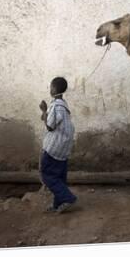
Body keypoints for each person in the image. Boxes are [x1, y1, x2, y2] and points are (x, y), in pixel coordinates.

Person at [38, 76, 77, 213]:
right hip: (64, 148)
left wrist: (43, 110)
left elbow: (49, 126)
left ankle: (67, 198)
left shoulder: (55, 106)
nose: (50, 89)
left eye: (50, 87)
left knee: (47, 175)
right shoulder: (63, 105)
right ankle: (57, 204)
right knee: (59, 177)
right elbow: (51, 119)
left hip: (54, 148)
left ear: (54, 88)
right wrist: (45, 113)